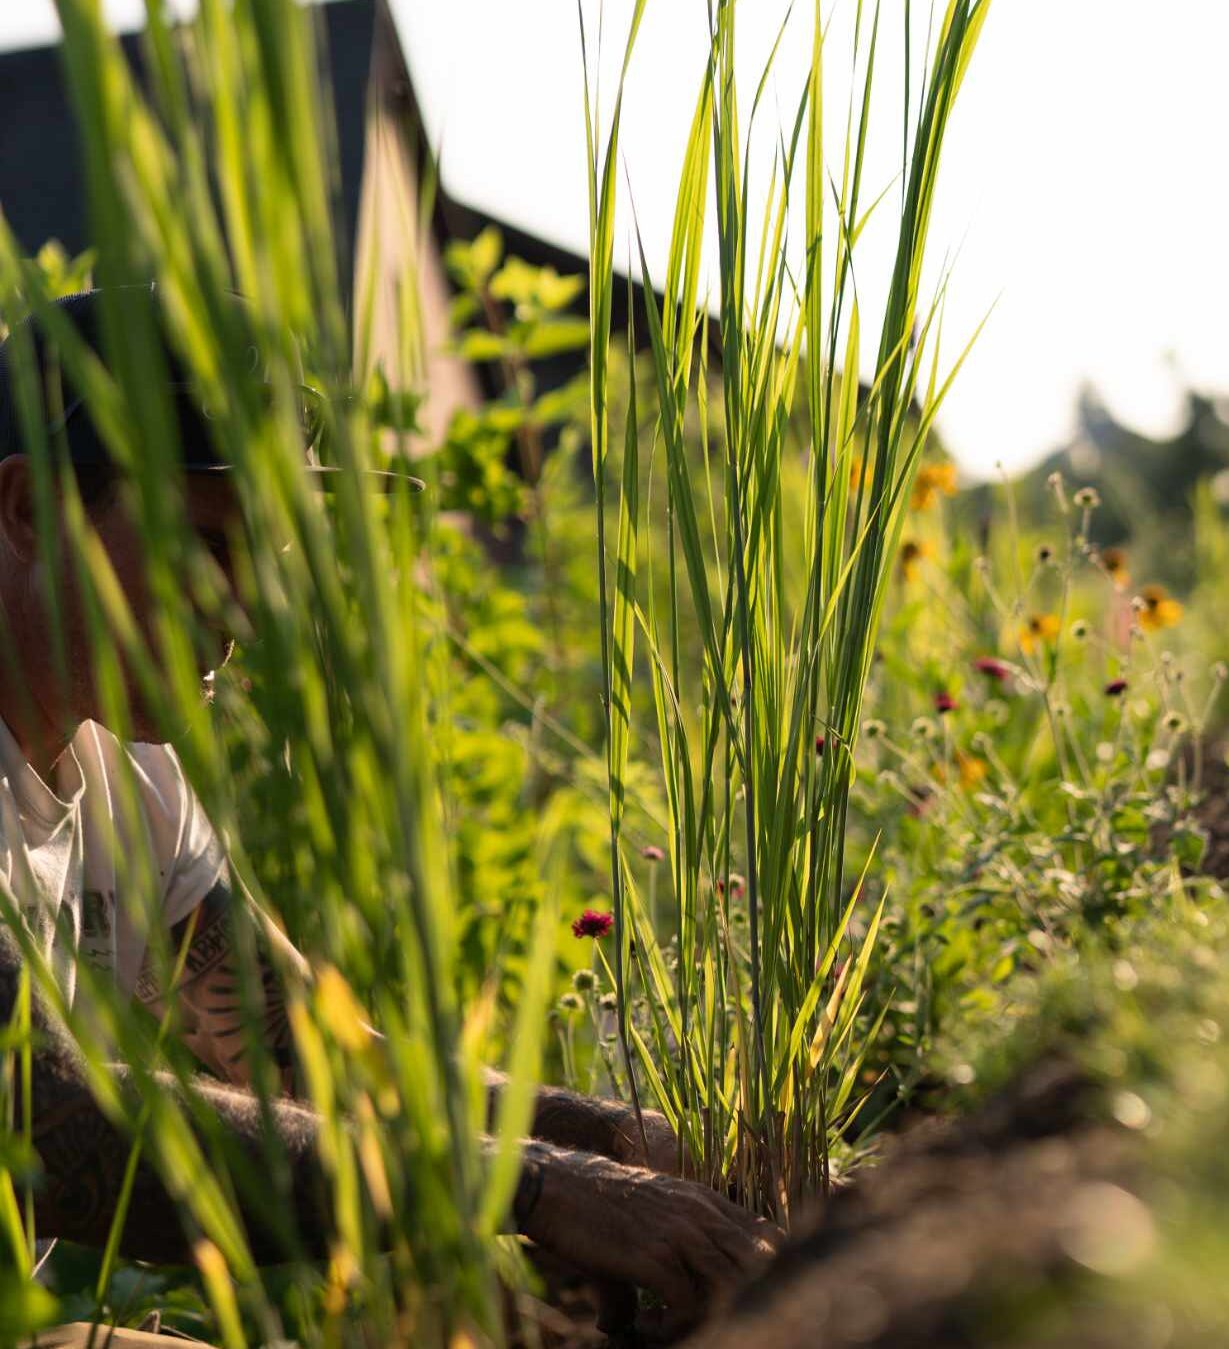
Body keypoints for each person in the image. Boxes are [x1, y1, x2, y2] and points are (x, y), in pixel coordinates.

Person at [0, 287, 774, 1340]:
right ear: (26, 510)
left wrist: (601, 1134)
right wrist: (526, 1186)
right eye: (199, 545)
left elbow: (304, 1045)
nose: (238, 605)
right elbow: (46, 1119)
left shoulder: (126, 774)